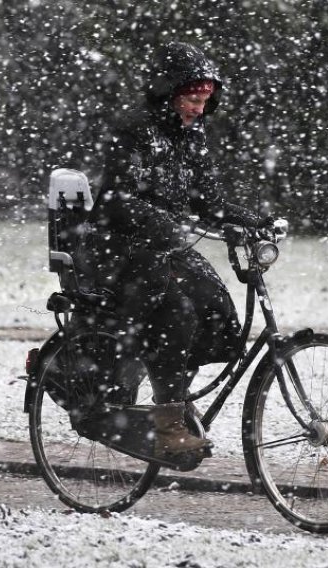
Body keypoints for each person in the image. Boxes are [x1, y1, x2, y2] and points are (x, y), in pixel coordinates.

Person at [88, 41, 268, 458]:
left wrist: (253, 221)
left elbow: (209, 202)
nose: (198, 108)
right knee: (176, 312)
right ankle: (168, 422)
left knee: (214, 304)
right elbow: (114, 200)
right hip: (120, 247)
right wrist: (157, 219)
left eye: (205, 100)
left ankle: (176, 393)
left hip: (163, 243)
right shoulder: (134, 129)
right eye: (191, 98)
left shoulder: (193, 133)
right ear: (168, 93)